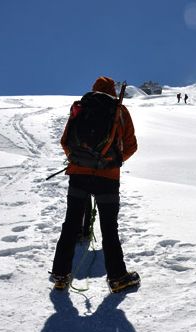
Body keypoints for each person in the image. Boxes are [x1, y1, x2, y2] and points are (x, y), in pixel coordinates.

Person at [50, 76, 140, 293]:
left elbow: (65, 141)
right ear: (112, 90)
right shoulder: (119, 110)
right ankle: (118, 278)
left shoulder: (80, 108)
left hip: (78, 175)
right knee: (109, 229)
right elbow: (131, 146)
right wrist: (110, 162)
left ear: (94, 90)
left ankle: (61, 275)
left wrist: (79, 160)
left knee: (71, 224)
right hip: (108, 177)